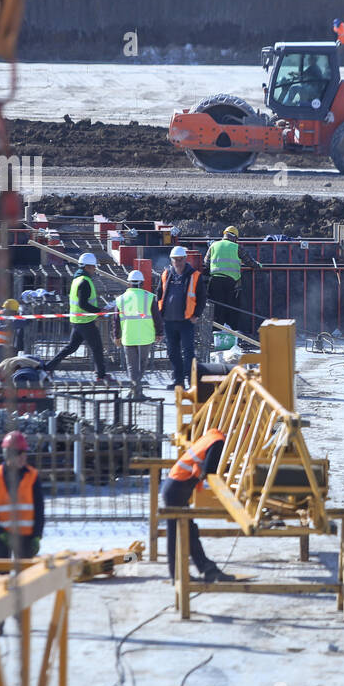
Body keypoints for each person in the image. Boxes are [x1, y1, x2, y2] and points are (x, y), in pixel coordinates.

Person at [161, 426, 232, 583]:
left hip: (176, 487)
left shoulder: (210, 437)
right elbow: (209, 469)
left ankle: (206, 568)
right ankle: (180, 575)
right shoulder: (218, 442)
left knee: (189, 532)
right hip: (177, 489)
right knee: (178, 533)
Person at [46, 253, 114, 382]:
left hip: (78, 320)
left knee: (71, 347)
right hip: (85, 321)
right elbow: (83, 304)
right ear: (87, 267)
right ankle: (101, 375)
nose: (95, 269)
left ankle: (48, 367)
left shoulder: (77, 279)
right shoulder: (84, 282)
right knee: (97, 347)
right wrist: (99, 311)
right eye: (93, 267)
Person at [0, 431, 44, 560]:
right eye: (19, 453)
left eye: (24, 453)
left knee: (27, 577)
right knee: (0, 575)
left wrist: (37, 535)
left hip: (27, 536)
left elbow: (39, 509)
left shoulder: (32, 476)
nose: (23, 457)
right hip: (2, 536)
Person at [158, 244, 206, 390]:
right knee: (173, 352)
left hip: (186, 321)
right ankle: (178, 381)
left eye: (180, 259)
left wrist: (196, 314)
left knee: (188, 352)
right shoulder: (166, 274)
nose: (178, 262)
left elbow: (202, 297)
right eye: (175, 260)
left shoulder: (195, 276)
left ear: (185, 259)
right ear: (171, 260)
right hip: (169, 321)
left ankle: (191, 382)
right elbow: (159, 294)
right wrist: (160, 315)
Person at [204, 225, 262, 339]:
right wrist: (258, 266)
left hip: (214, 281)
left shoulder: (213, 245)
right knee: (231, 309)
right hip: (231, 283)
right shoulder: (237, 247)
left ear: (224, 234)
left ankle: (215, 336)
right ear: (235, 237)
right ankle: (231, 334)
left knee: (216, 309)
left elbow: (206, 263)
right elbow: (250, 262)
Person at [114, 268, 162, 400]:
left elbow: (116, 320)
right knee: (141, 365)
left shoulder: (121, 299)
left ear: (129, 283)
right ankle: (137, 391)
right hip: (145, 338)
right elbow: (156, 317)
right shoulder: (149, 297)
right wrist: (159, 332)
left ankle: (134, 390)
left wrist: (116, 336)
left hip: (128, 337)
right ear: (142, 283)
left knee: (131, 366)